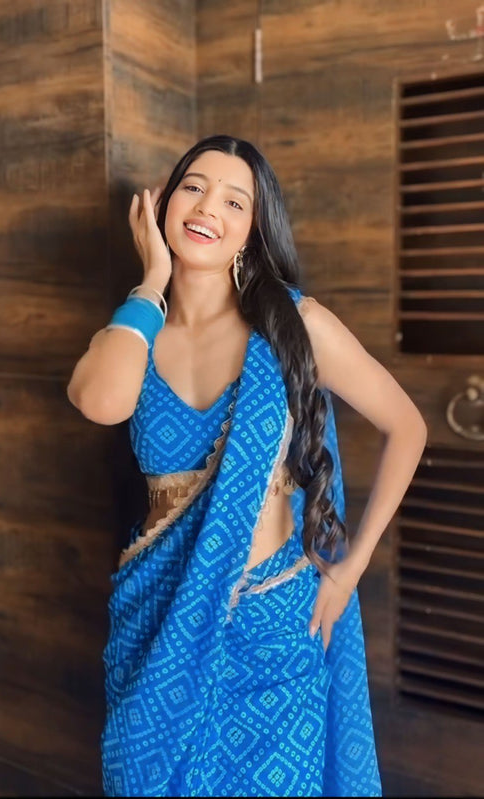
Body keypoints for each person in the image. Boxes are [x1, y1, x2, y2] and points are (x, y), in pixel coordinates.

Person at [67, 134, 427, 797]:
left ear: (252, 231)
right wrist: (150, 280)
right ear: (164, 204)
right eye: (194, 187)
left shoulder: (295, 326)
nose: (209, 208)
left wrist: (349, 571)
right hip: (158, 627)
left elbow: (405, 425)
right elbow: (100, 401)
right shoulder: (131, 332)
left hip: (271, 625)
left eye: (236, 200)